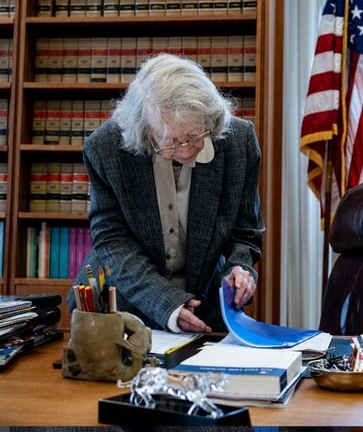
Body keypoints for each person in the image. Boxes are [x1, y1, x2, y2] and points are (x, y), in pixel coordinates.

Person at [66, 53, 264, 334]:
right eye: (171, 141)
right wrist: (166, 303)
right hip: (122, 302)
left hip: (204, 302)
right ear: (145, 131)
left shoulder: (239, 143)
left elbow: (245, 233)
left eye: (195, 136)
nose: (185, 151)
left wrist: (239, 269)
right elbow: (112, 240)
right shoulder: (106, 147)